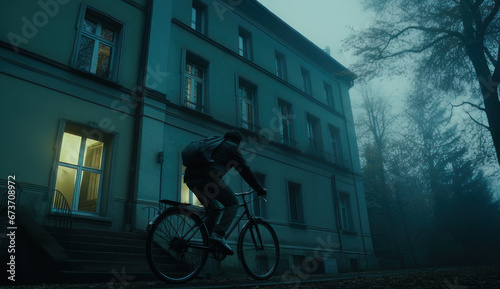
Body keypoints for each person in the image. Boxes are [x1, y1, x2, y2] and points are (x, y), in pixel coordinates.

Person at [184, 131, 267, 255]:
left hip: (190, 179)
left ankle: (210, 241)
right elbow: (245, 170)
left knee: (214, 209)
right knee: (233, 203)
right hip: (208, 178)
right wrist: (259, 189)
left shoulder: (215, 143)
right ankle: (218, 234)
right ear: (237, 142)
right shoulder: (232, 147)